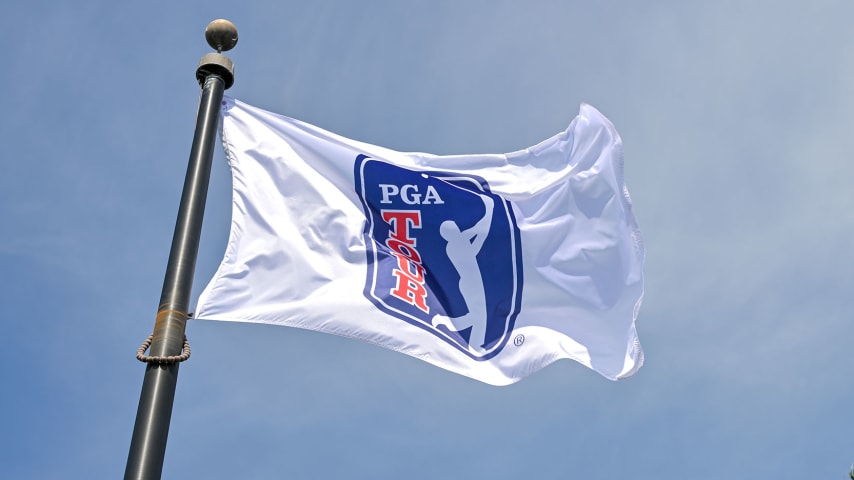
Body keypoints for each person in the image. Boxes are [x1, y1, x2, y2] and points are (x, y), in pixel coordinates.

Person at [432, 195, 494, 353]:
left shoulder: (459, 240)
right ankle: (450, 324)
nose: (457, 227)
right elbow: (478, 235)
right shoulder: (455, 244)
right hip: (469, 282)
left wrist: (483, 229)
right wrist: (489, 209)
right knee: (479, 316)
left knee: (479, 316)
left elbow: (480, 234)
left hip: (472, 280)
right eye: (453, 227)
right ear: (449, 233)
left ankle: (474, 344)